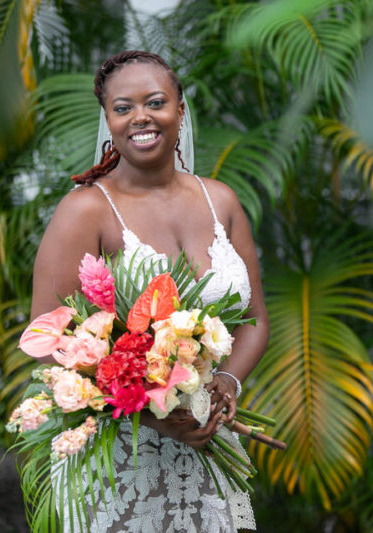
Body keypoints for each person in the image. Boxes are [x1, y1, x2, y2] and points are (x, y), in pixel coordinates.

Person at [30, 50, 268, 532]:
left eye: (155, 102)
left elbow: (257, 320)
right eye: (123, 107)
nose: (140, 117)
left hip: (206, 436)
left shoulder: (221, 200)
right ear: (108, 120)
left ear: (180, 110)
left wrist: (225, 385)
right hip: (121, 458)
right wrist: (148, 413)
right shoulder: (85, 211)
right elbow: (47, 339)